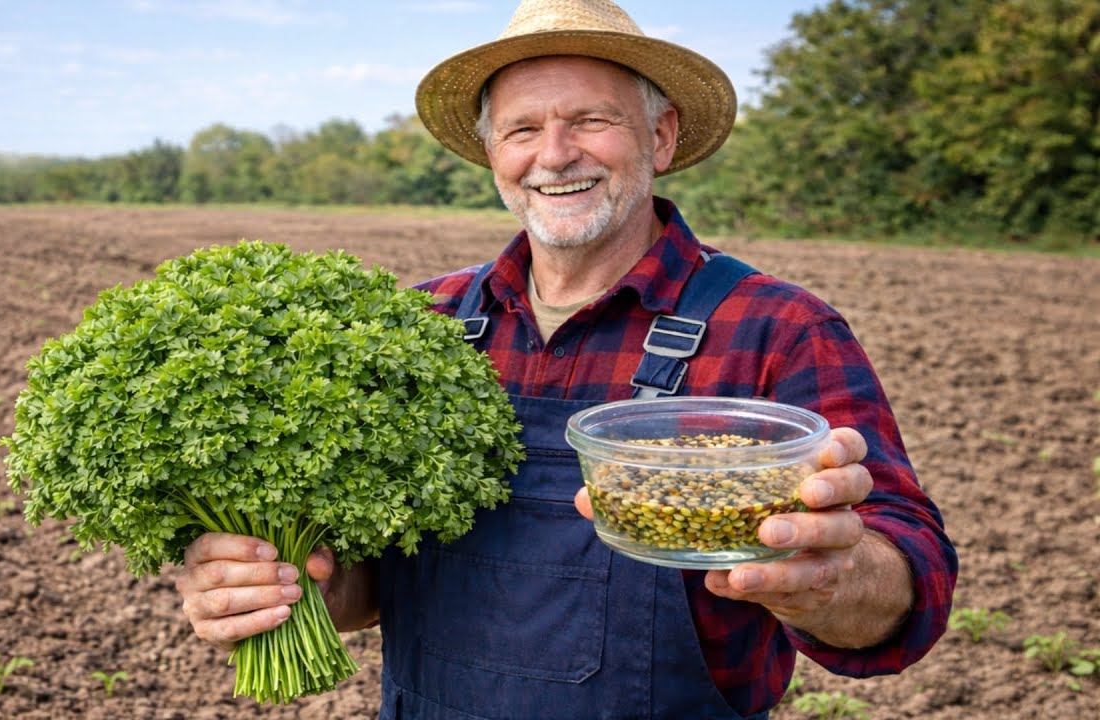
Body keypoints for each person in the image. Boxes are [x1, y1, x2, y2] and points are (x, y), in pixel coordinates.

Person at [174, 1, 959, 717]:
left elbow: (910, 592)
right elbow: (372, 583)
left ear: (661, 135)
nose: (554, 155)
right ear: (491, 152)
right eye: (521, 130)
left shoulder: (776, 327)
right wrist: (280, 590)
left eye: (589, 120)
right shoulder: (420, 325)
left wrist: (831, 579)